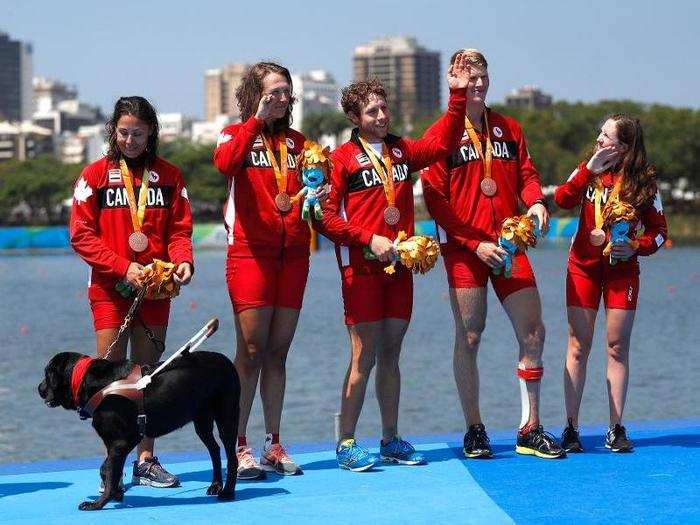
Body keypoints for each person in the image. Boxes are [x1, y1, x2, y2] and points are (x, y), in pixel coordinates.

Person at [313, 53, 472, 472]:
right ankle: (346, 442)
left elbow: (443, 143)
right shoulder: (341, 160)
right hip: (360, 270)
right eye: (372, 110)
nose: (382, 115)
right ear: (354, 116)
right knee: (362, 356)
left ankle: (390, 438)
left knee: (392, 355)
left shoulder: (402, 151)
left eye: (384, 107)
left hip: (400, 268)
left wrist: (456, 95)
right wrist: (369, 238)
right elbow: (325, 218)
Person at [422, 49, 565, 460]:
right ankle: (474, 428)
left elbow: (527, 176)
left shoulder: (509, 127)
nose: (479, 84)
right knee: (469, 336)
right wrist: (472, 243)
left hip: (509, 241)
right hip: (466, 248)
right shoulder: (440, 135)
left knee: (534, 331)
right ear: (456, 83)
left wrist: (536, 201)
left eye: (483, 76)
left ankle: (530, 427)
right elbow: (435, 201)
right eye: (470, 78)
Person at [69, 96, 194, 488]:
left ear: (151, 132)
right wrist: (123, 266)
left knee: (148, 377)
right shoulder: (93, 177)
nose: (130, 140)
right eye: (123, 132)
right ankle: (114, 464)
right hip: (110, 289)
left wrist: (184, 260)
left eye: (138, 133)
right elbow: (80, 235)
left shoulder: (170, 176)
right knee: (111, 379)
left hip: (155, 290)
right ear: (113, 131)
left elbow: (179, 230)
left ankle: (146, 459)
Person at [213, 62, 321, 479]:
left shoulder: (300, 144)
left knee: (278, 352)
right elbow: (225, 164)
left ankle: (273, 443)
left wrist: (317, 193)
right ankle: (238, 443)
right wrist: (255, 121)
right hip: (250, 256)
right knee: (251, 352)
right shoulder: (234, 133)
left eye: (285, 92)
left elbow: (309, 192)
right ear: (254, 95)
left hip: (293, 254)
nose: (280, 99)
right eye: (272, 92)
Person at [555, 114, 667, 453]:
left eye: (606, 135)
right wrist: (588, 168)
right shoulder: (587, 169)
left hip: (622, 271)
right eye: (600, 133)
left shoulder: (644, 182)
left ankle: (616, 427)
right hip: (583, 268)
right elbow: (561, 199)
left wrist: (635, 245)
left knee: (617, 347)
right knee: (578, 345)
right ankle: (571, 428)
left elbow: (660, 234)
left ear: (623, 146)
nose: (599, 138)